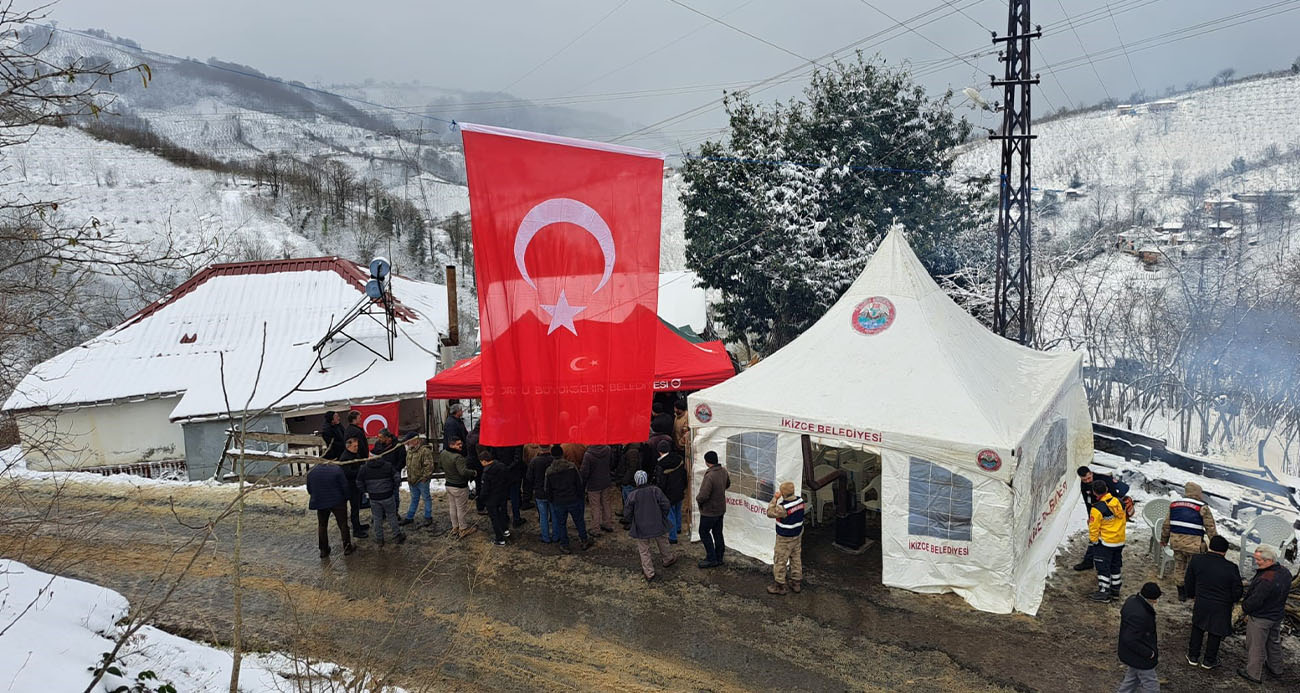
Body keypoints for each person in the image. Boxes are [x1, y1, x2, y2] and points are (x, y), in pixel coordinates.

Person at [1184, 535, 1241, 670]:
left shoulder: (1197, 560)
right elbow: (1237, 590)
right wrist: (1232, 600)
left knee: (1198, 627)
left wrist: (1192, 594)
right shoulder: (1231, 567)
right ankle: (1209, 660)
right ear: (1225, 551)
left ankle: (1193, 656)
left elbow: (1189, 580)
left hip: (1202, 600)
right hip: (1222, 605)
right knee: (1215, 631)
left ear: (1210, 547)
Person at [1238, 544, 1291, 684]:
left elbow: (1255, 600)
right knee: (1273, 642)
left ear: (1269, 561)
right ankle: (1276, 668)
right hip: (1277, 615)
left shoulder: (1266, 579)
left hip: (1261, 618)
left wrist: (1244, 607)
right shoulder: (1285, 572)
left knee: (1256, 645)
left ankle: (1253, 673)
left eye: (1259, 560)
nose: (1256, 562)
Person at [1160, 481, 1217, 601]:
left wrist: (1164, 539)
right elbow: (1210, 528)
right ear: (1197, 493)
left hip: (1176, 543)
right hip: (1194, 545)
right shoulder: (1202, 507)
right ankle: (1192, 592)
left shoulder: (1174, 505)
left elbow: (1166, 525)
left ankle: (1181, 592)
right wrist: (1215, 544)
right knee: (1195, 569)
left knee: (1179, 567)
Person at [1073, 465, 1130, 571]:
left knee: (1105, 538)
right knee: (1095, 535)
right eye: (1084, 480)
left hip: (1111, 515)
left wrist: (1116, 502)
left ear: (1091, 473)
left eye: (1089, 478)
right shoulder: (1084, 485)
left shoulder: (1104, 479)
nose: (1087, 481)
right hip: (1098, 513)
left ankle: (1105, 562)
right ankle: (1090, 560)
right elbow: (1088, 502)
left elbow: (1125, 488)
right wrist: (1090, 517)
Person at [625, 469, 676, 581]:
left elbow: (627, 512)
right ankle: (668, 559)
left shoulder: (632, 495)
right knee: (663, 541)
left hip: (641, 525)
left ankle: (649, 573)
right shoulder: (655, 490)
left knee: (644, 550)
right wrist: (662, 515)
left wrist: (631, 521)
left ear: (636, 481)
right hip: (657, 522)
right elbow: (666, 504)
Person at [355, 442, 405, 546]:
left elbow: (359, 482)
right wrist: (393, 488)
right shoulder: (388, 466)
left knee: (377, 518)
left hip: (374, 497)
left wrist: (366, 491)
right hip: (388, 495)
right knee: (392, 516)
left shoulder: (364, 468)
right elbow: (397, 478)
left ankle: (379, 539)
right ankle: (397, 535)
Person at [1116, 582, 1162, 693]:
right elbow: (1130, 639)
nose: (1156, 601)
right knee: (1151, 685)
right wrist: (1149, 653)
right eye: (1154, 599)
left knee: (1132, 679)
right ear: (1149, 598)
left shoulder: (1132, 601)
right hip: (1141, 657)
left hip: (1130, 654)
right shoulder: (1141, 615)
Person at [545, 446, 592, 554]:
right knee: (579, 521)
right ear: (562, 454)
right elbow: (579, 482)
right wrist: (580, 496)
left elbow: (547, 488)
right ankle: (584, 540)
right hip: (573, 498)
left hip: (558, 501)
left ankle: (565, 544)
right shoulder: (571, 466)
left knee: (561, 524)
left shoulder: (549, 471)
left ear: (552, 455)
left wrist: (551, 500)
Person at [1087, 479, 1127, 601]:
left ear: (1094, 493)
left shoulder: (1097, 508)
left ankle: (1104, 592)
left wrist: (1094, 541)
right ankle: (1115, 590)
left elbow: (1094, 528)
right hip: (1119, 541)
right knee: (1115, 566)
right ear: (1107, 489)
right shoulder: (1119, 502)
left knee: (1103, 567)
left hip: (1105, 543)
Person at [306, 459, 354, 557]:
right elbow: (344, 486)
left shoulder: (312, 471)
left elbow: (309, 488)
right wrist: (347, 497)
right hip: (338, 501)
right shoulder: (337, 469)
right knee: (343, 525)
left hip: (320, 502)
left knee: (322, 525)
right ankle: (347, 547)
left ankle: (323, 550)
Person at [766, 480, 806, 595]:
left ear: (783, 494)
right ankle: (796, 582)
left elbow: (769, 512)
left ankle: (779, 585)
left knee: (780, 560)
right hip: (797, 535)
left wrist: (775, 499)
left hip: (784, 538)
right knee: (796, 558)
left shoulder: (783, 508)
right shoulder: (800, 501)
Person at [695, 450, 730, 568]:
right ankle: (719, 557)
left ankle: (711, 558)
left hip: (710, 511)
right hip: (720, 508)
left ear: (707, 462)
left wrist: (698, 499)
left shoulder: (710, 475)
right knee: (717, 532)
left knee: (704, 532)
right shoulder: (723, 471)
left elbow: (704, 495)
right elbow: (728, 484)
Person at [440, 436, 476, 538]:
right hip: (459, 487)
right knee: (461, 509)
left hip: (449, 485)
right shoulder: (458, 457)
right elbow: (463, 472)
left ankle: (455, 527)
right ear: (451, 445)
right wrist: (473, 472)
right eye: (458, 444)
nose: (461, 446)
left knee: (452, 507)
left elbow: (440, 466)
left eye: (461, 443)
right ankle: (463, 529)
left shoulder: (443, 453)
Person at [652, 439, 687, 544]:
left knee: (669, 514)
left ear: (659, 451)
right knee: (678, 510)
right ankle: (678, 528)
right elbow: (684, 474)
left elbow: (661, 482)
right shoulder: (679, 459)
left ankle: (673, 537)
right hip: (679, 489)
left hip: (668, 493)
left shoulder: (661, 465)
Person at [400, 432, 434, 527]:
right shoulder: (410, 451)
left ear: (415, 440)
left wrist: (425, 477)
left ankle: (428, 517)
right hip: (412, 480)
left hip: (421, 480)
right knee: (414, 498)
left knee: (426, 498)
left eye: (409, 441)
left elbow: (429, 466)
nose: (407, 443)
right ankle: (409, 517)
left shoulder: (424, 451)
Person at [337, 437, 369, 538]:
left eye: (357, 446)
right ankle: (356, 530)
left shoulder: (355, 454)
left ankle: (358, 525)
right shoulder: (345, 457)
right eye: (355, 446)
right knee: (354, 508)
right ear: (349, 446)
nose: (357, 448)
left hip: (356, 484)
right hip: (351, 486)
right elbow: (347, 473)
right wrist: (360, 471)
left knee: (357, 506)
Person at [478, 449, 511, 546]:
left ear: (484, 461)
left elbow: (485, 489)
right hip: (503, 494)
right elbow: (508, 479)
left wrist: (481, 499)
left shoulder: (487, 473)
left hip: (491, 498)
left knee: (494, 518)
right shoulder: (502, 466)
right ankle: (505, 530)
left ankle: (500, 539)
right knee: (502, 513)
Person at [581, 444, 616, 535]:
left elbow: (584, 472)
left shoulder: (588, 454)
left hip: (593, 484)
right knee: (606, 503)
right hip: (605, 481)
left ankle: (595, 528)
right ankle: (607, 524)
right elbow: (612, 463)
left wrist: (583, 483)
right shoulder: (608, 449)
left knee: (595, 506)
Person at [526, 445, 558, 543]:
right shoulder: (554, 460)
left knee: (543, 516)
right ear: (550, 448)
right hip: (553, 492)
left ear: (540, 448)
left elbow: (529, 477)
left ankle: (545, 537)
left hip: (540, 492)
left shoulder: (534, 461)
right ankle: (556, 536)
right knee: (554, 515)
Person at [371, 428, 406, 512]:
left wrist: (395, 470)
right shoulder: (378, 444)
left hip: (393, 473)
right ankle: (382, 512)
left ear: (387, 437)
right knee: (382, 493)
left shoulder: (398, 445)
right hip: (381, 474)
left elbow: (402, 460)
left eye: (381, 437)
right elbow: (374, 454)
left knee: (394, 493)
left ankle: (394, 512)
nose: (379, 439)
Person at [616, 444, 640, 526]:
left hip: (629, 482)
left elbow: (632, 468)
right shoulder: (629, 450)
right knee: (627, 501)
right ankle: (627, 517)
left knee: (630, 502)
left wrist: (625, 480)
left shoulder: (632, 452)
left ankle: (631, 521)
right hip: (627, 481)